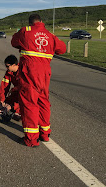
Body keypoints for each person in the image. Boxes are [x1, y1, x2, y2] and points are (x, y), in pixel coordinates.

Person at [11, 14, 66, 147]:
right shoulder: (50, 35)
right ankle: (45, 134)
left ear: (30, 23)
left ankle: (31, 139)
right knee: (43, 102)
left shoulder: (25, 31)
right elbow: (62, 49)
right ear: (41, 22)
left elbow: (14, 42)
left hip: (29, 74)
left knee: (29, 104)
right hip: (44, 75)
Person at [0, 55, 21, 121]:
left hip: (26, 92)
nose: (6, 68)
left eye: (7, 66)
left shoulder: (23, 71)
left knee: (22, 100)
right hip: (17, 92)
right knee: (7, 101)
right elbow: (4, 86)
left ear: (14, 65)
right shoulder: (8, 73)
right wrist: (1, 100)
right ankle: (14, 109)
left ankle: (18, 112)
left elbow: (26, 87)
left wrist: (14, 89)